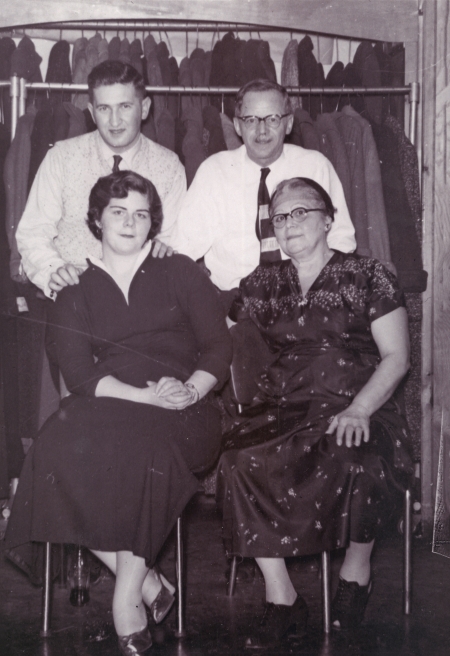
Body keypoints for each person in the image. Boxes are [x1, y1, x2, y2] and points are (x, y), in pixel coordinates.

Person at [6, 171, 232, 655]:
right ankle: (153, 584)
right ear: (96, 220)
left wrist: (190, 390)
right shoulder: (73, 288)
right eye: (118, 212)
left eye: (141, 214)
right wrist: (142, 395)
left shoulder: (182, 273)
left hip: (183, 408)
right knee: (50, 454)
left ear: (154, 223)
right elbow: (79, 374)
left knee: (142, 449)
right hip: (105, 402)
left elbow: (218, 346)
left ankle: (128, 592)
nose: (130, 223)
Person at [215, 177, 413, 648]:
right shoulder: (262, 283)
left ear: (328, 220)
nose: (289, 224)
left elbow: (397, 358)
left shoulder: (369, 275)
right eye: (280, 217)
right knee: (238, 463)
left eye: (300, 212)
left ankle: (355, 573)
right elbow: (220, 327)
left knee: (358, 461)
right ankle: (282, 597)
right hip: (285, 410)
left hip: (360, 405)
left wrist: (361, 409)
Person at [170, 79, 356, 297]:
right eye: (250, 120)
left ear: (288, 124)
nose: (262, 131)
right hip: (234, 298)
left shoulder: (315, 166)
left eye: (272, 119)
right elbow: (184, 247)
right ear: (237, 125)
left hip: (304, 296)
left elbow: (341, 241)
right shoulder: (214, 170)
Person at [15, 60, 186, 298]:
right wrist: (53, 271)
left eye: (125, 106)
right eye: (104, 108)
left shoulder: (170, 167)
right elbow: (33, 232)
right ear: (92, 112)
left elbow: (171, 242)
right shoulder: (62, 158)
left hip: (139, 297)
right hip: (72, 293)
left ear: (144, 108)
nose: (114, 121)